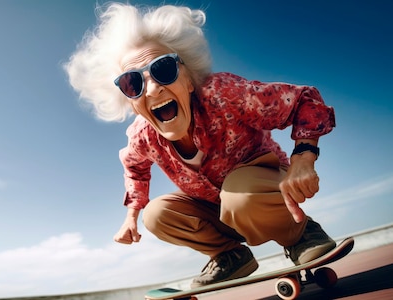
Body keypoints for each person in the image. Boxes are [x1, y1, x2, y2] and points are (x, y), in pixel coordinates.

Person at [64, 3, 337, 288]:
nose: (154, 89)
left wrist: (304, 158)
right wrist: (131, 216)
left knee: (238, 193)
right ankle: (229, 256)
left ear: (189, 79)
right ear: (130, 101)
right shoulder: (142, 136)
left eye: (164, 69)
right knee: (156, 215)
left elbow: (302, 100)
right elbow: (135, 168)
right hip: (217, 207)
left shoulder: (222, 94)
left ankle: (301, 235)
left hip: (266, 189)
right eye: (133, 83)